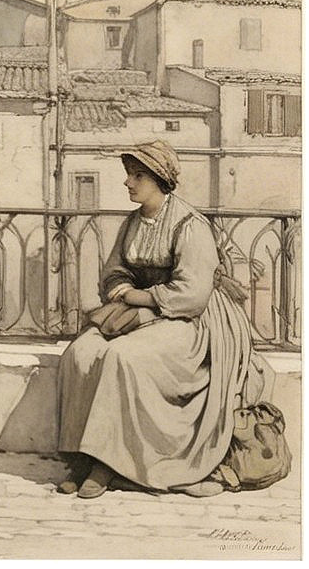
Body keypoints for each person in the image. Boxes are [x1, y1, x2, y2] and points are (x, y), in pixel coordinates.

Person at [56, 140, 259, 498]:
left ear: (159, 179)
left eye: (138, 176)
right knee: (80, 352)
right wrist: (122, 289)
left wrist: (142, 299)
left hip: (192, 322)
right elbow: (114, 272)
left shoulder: (189, 224)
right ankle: (82, 457)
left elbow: (192, 294)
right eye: (129, 175)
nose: (128, 182)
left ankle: (108, 464)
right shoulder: (132, 223)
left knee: (122, 357)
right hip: (141, 315)